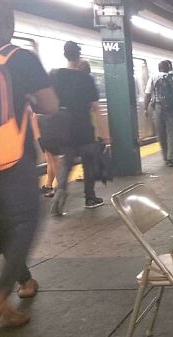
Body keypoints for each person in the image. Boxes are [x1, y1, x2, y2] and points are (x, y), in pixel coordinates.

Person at [0, 0, 59, 326]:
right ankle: (1, 293)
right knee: (23, 221)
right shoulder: (20, 58)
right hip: (10, 160)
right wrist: (29, 99)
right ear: (8, 24)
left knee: (1, 226)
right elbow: (49, 105)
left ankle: (24, 281)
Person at [50, 41, 107, 214]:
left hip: (64, 129)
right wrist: (105, 135)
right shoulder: (86, 78)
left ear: (65, 54)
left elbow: (49, 103)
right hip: (84, 128)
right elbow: (96, 108)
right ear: (78, 54)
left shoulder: (56, 75)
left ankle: (59, 193)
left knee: (66, 164)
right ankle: (90, 198)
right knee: (88, 164)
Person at [144, 60, 173, 167]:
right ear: (169, 68)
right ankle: (171, 158)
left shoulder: (153, 77)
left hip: (158, 107)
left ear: (159, 68)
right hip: (172, 109)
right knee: (172, 133)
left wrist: (145, 108)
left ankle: (165, 156)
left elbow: (147, 94)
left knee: (161, 133)